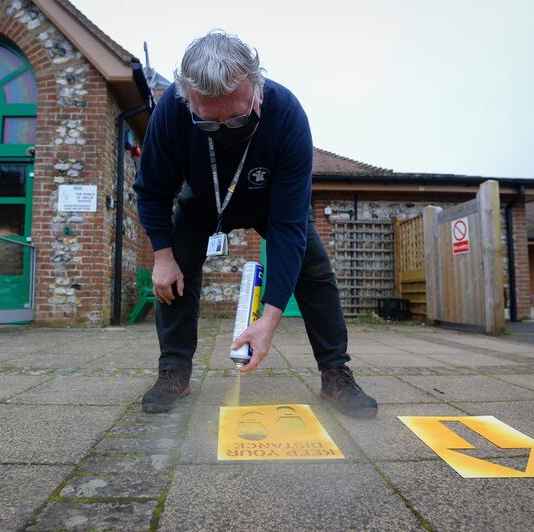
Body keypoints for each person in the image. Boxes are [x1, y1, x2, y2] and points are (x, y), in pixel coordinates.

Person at [134, 30, 377, 419]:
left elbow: (288, 227)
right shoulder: (171, 112)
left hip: (270, 203)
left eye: (238, 119)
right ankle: (173, 371)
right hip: (202, 200)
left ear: (257, 86)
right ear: (188, 100)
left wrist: (270, 316)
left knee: (314, 270)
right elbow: (152, 189)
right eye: (209, 124)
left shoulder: (287, 115)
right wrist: (163, 256)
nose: (225, 131)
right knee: (175, 276)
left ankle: (335, 371)